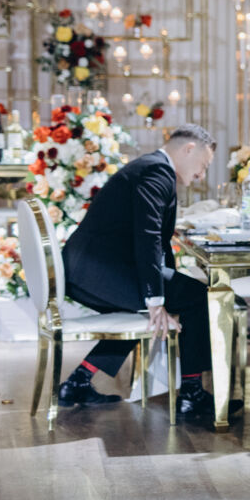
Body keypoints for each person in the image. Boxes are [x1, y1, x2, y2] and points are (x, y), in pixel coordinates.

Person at [58, 125, 221, 420]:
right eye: (204, 165)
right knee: (200, 297)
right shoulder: (157, 171)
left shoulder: (151, 167)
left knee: (153, 310)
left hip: (88, 270)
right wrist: (156, 299)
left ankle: (79, 381)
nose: (202, 175)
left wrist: (161, 293)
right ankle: (192, 394)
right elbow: (147, 237)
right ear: (189, 149)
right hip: (96, 271)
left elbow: (155, 240)